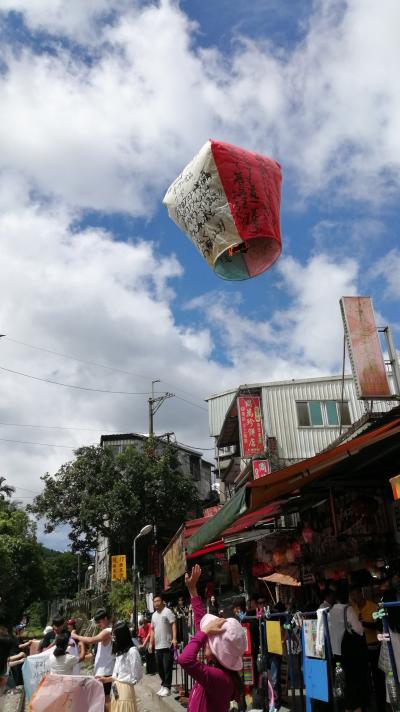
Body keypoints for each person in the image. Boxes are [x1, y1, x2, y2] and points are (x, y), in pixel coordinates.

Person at [179, 564, 246, 712]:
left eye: (210, 638)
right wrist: (192, 590)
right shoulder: (219, 671)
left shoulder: (218, 677)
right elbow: (200, 623)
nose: (206, 639)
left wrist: (204, 633)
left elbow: (185, 659)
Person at [73, 608, 114, 712]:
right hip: (102, 670)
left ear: (105, 619)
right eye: (96, 622)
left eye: (99, 622)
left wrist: (76, 636)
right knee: (103, 697)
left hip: (106, 671)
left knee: (106, 697)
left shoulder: (107, 631)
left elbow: (91, 640)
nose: (98, 624)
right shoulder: (105, 631)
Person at [350, 584, 385, 710]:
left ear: (361, 594)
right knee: (363, 678)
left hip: (374, 646)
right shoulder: (352, 609)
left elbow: (378, 625)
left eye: (356, 594)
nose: (354, 597)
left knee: (378, 677)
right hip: (360, 648)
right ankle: (366, 704)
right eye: (352, 595)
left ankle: (381, 705)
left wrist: (362, 623)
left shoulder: (373, 607)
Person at [100, 622, 143, 712]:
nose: (113, 639)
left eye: (115, 636)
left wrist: (124, 682)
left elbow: (137, 676)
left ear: (121, 637)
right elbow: (118, 675)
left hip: (125, 691)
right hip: (116, 688)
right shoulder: (120, 652)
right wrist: (105, 679)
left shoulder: (132, 651)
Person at [148, 594, 177, 697]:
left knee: (167, 667)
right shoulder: (154, 615)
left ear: (162, 601)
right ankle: (163, 685)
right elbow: (152, 630)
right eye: (154, 601)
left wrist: (174, 638)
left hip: (167, 644)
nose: (156, 603)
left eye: (158, 601)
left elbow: (173, 624)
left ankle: (167, 687)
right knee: (160, 668)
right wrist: (151, 643)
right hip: (158, 646)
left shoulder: (167, 612)